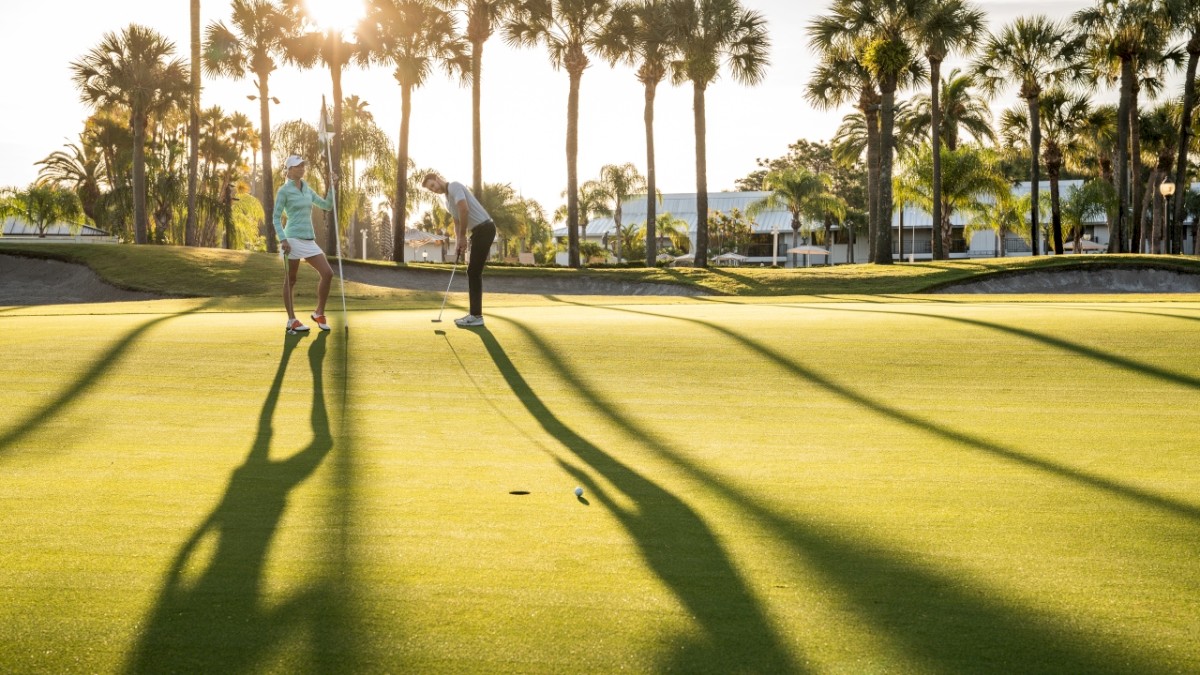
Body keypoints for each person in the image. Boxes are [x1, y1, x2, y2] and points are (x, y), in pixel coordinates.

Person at [421, 172, 495, 327]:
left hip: (485, 228)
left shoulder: (454, 186)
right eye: (430, 189)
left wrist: (462, 236)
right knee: (473, 271)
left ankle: (476, 316)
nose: (434, 190)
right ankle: (474, 314)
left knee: (473, 271)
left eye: (433, 185)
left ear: (438, 179)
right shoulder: (447, 201)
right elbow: (456, 221)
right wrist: (458, 241)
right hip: (478, 231)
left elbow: (464, 210)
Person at [273, 155, 336, 333]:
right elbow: (276, 217)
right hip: (291, 239)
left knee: (328, 273)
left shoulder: (307, 189)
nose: (301, 168)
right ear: (289, 170)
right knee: (291, 280)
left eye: (302, 165)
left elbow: (327, 205)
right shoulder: (284, 191)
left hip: (309, 239)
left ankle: (319, 313)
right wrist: (283, 239)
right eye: (297, 166)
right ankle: (291, 320)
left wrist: (332, 186)